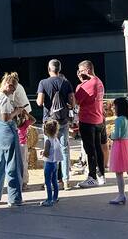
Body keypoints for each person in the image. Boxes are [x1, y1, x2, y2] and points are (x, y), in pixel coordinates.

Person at [36, 59, 75, 190]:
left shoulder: (43, 83)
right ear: (59, 69)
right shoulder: (66, 82)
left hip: (49, 121)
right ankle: (66, 181)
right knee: (64, 150)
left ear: (49, 69)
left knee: (49, 150)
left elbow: (39, 102)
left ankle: (50, 182)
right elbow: (72, 102)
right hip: (63, 120)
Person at [0, 72, 25, 206]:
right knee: (13, 165)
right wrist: (17, 111)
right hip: (7, 132)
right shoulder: (4, 98)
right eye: (13, 89)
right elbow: (5, 117)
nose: (13, 92)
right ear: (8, 85)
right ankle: (14, 198)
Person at [75, 60, 106, 188]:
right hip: (98, 119)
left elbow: (76, 100)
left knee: (90, 150)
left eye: (81, 71)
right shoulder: (99, 82)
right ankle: (101, 175)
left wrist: (80, 83)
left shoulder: (87, 84)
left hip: (87, 120)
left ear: (87, 70)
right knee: (98, 148)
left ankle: (92, 177)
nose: (79, 73)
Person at [108, 97, 128, 205]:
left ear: (119, 107)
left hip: (120, 145)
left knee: (119, 172)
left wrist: (111, 135)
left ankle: (121, 195)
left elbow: (118, 135)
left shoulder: (118, 120)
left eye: (115, 107)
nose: (113, 109)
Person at [40, 119, 63, 207]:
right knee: (54, 181)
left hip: (49, 163)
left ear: (46, 131)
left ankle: (49, 200)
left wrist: (42, 153)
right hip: (55, 163)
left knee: (48, 182)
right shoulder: (56, 139)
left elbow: (46, 153)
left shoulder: (48, 141)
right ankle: (55, 197)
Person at [17, 110, 35, 191]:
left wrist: (26, 113)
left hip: (20, 145)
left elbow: (33, 120)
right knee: (23, 163)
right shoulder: (24, 124)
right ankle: (23, 182)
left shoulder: (23, 124)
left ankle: (23, 182)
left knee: (22, 163)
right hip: (21, 145)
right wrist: (26, 113)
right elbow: (33, 120)